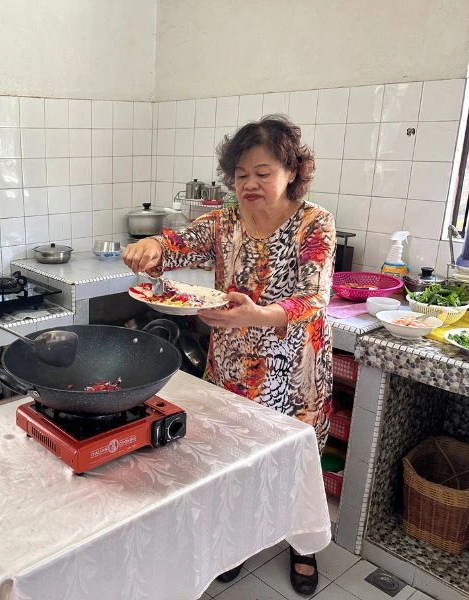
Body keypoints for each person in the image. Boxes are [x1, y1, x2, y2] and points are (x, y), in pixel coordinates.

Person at [122, 115, 334, 596]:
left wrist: (257, 315)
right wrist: (152, 246)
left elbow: (314, 297)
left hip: (293, 367)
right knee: (232, 457)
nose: (249, 184)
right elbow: (178, 244)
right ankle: (236, 542)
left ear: (291, 172)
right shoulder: (225, 220)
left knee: (292, 459)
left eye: (262, 172)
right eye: (241, 175)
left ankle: (302, 545)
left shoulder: (314, 223)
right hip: (233, 364)